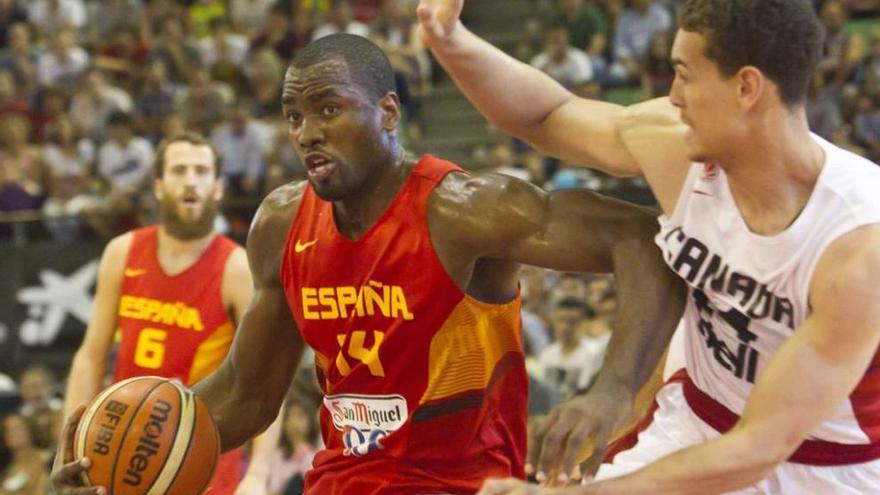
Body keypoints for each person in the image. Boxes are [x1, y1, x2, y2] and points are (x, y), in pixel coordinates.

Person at [51, 34, 684, 495]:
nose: (307, 133)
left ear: (387, 111)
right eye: (295, 116)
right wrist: (122, 456)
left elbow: (640, 238)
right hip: (342, 480)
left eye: (329, 109)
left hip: (462, 484)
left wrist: (611, 390)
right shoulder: (281, 223)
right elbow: (247, 392)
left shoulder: (463, 209)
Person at [417, 0, 880, 493]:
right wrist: (452, 42)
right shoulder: (677, 147)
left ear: (746, 87)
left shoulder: (856, 248)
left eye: (685, 75)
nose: (672, 95)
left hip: (823, 468)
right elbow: (548, 116)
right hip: (695, 422)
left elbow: (758, 448)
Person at [60, 132, 281, 495]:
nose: (190, 180)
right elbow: (90, 355)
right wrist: (68, 445)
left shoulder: (237, 268)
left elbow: (267, 380)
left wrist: (258, 474)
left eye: (201, 171)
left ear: (218, 187)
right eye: (179, 170)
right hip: (120, 453)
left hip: (198, 460)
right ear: (160, 186)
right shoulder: (123, 251)